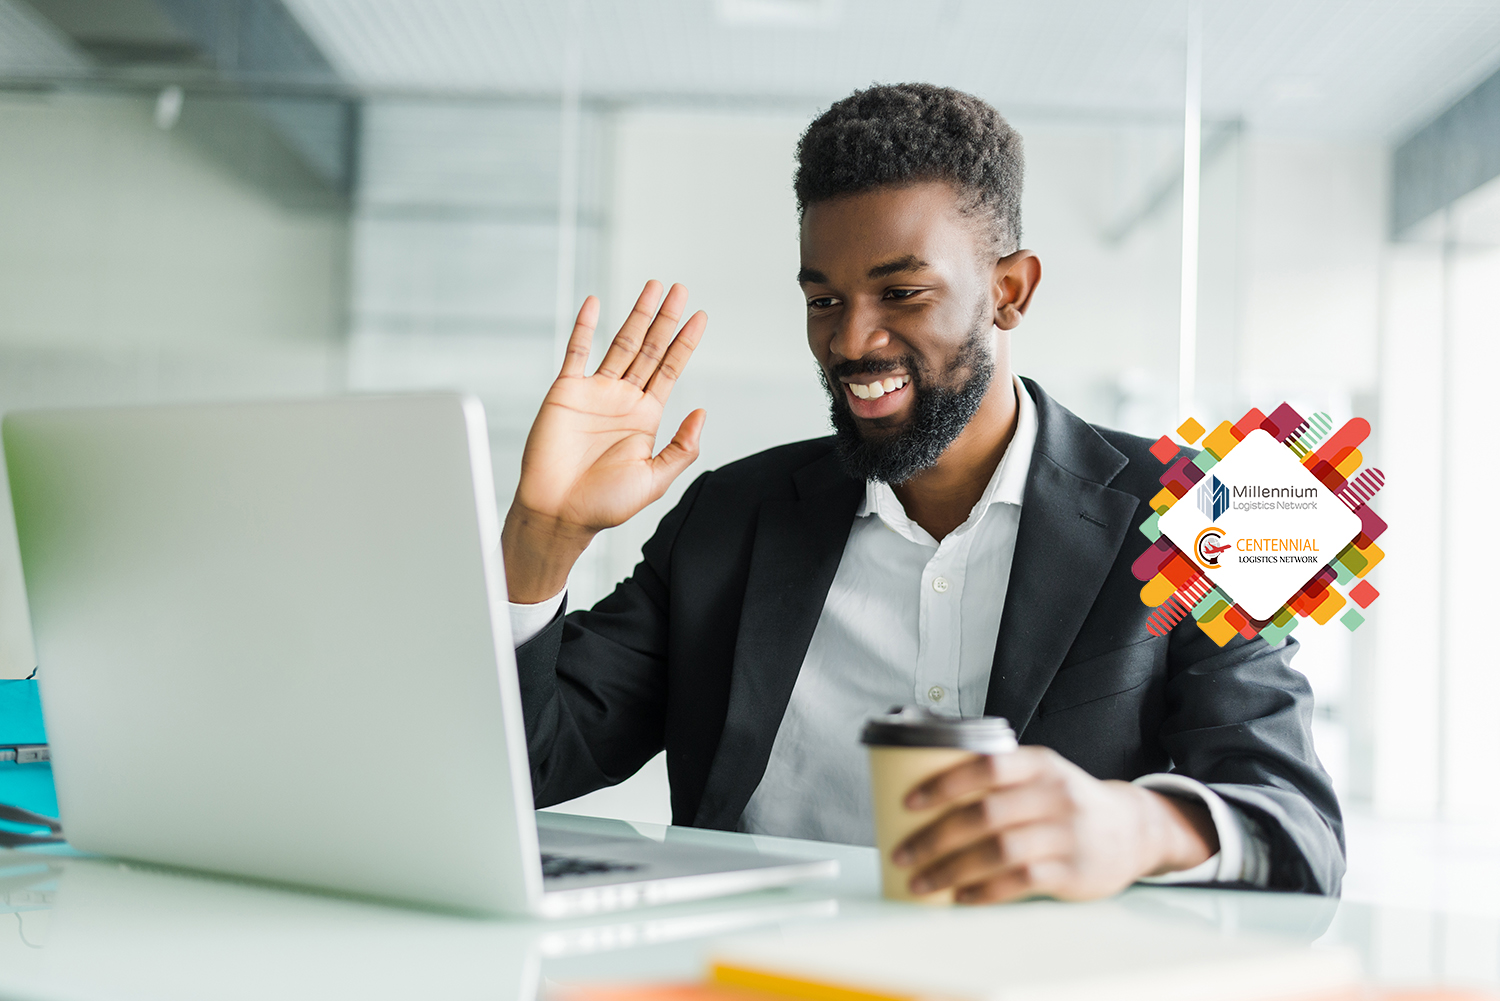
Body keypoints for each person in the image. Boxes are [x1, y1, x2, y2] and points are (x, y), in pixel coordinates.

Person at [501, 83, 1343, 902]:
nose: (851, 339)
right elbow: (530, 762)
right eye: (824, 299)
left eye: (902, 292)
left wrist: (1135, 825)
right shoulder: (731, 516)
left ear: (1009, 291)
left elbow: (1299, 827)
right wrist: (544, 536)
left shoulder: (1205, 514)